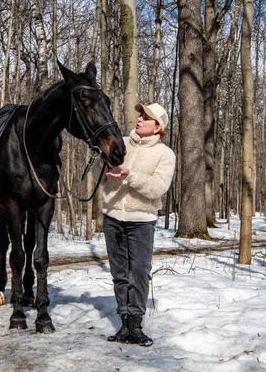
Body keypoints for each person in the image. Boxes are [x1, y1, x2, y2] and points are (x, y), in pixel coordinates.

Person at [102, 102, 176, 347]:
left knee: (140, 273)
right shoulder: (120, 142)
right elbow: (98, 174)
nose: (140, 119)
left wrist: (129, 176)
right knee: (119, 273)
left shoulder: (165, 154)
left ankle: (136, 324)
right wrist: (102, 166)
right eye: (140, 115)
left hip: (141, 222)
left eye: (147, 118)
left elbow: (157, 187)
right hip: (112, 217)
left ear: (158, 128)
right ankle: (124, 323)